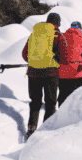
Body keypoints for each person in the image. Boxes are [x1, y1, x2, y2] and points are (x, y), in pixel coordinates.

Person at [21, 12, 62, 140]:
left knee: (35, 102)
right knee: (50, 103)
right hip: (51, 73)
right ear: (58, 23)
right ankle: (45, 133)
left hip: (33, 72)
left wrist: (35, 61)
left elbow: (24, 54)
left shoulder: (35, 34)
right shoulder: (58, 36)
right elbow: (63, 56)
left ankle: (31, 129)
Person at [57, 21, 82, 106]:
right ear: (80, 28)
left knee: (62, 95)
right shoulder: (81, 37)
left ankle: (60, 115)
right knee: (75, 96)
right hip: (76, 72)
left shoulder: (62, 36)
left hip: (62, 70)